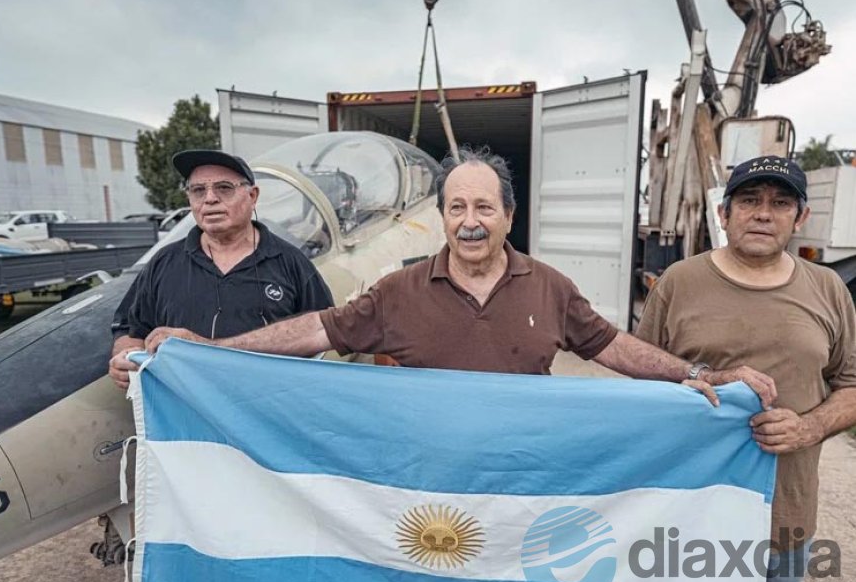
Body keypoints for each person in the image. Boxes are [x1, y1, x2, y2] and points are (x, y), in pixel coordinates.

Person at [144, 146, 775, 404]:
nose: (469, 222)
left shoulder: (551, 287)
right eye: (456, 207)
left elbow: (614, 347)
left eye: (483, 207)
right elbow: (314, 331)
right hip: (428, 491)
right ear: (442, 216)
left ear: (508, 215)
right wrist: (213, 351)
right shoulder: (398, 292)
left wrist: (697, 374)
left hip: (517, 487)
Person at [636, 155, 856, 582]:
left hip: (783, 521)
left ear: (801, 218)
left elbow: (852, 384)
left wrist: (809, 427)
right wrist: (702, 378)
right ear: (724, 213)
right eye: (750, 200)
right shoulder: (679, 282)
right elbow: (638, 372)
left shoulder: (829, 289)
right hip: (687, 515)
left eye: (780, 203)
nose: (762, 213)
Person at [108, 149, 333, 389]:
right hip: (187, 416)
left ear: (253, 196)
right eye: (198, 190)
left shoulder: (291, 263)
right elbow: (131, 329)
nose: (210, 199)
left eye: (224, 188)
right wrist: (126, 356)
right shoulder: (163, 263)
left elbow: (324, 331)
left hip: (268, 414)